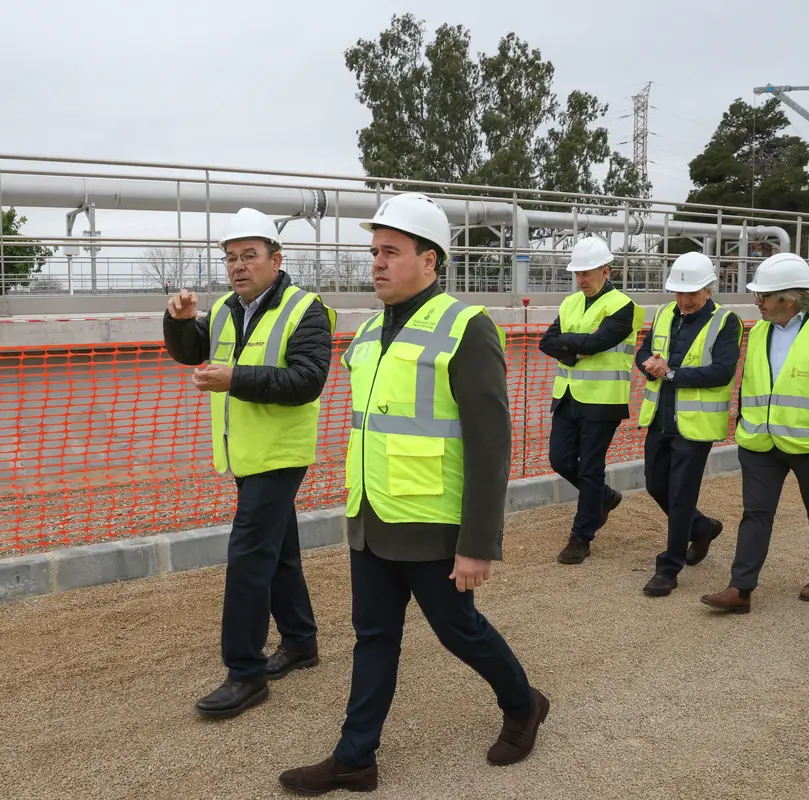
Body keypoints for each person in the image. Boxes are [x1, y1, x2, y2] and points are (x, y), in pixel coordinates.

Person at [277, 193, 548, 795]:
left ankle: (523, 702)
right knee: (373, 636)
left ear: (430, 259)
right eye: (374, 251)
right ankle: (355, 757)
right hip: (371, 517)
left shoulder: (465, 327)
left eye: (391, 251)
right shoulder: (370, 330)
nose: (376, 262)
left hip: (433, 523)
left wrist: (478, 542)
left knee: (459, 631)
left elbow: (490, 444)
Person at [163, 207, 336, 718]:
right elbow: (192, 352)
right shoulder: (222, 308)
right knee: (278, 551)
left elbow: (307, 380)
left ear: (276, 259)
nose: (239, 266)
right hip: (244, 453)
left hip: (280, 453)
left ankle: (245, 673)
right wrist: (176, 322)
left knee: (248, 558)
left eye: (249, 256)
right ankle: (301, 642)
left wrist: (235, 379)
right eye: (231, 258)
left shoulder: (307, 309)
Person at [701, 253, 809, 614]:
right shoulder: (758, 330)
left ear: (790, 299)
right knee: (755, 512)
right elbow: (752, 381)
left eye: (764, 296)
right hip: (760, 442)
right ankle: (740, 588)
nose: (757, 302)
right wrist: (745, 420)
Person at [635, 252, 742, 597]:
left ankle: (669, 567)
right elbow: (644, 351)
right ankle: (702, 527)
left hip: (695, 426)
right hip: (660, 418)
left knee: (681, 495)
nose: (684, 301)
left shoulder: (726, 322)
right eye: (679, 293)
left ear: (709, 289)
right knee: (655, 485)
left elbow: (722, 371)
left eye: (691, 294)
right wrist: (648, 364)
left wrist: (670, 373)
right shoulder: (665, 312)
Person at [539, 238, 644, 564]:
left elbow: (599, 342)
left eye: (587, 273)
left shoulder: (622, 307)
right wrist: (577, 350)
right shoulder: (570, 303)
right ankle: (603, 497)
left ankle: (581, 537)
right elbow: (546, 342)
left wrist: (569, 344)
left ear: (605, 270)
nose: (581, 279)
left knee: (590, 467)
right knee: (559, 459)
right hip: (568, 396)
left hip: (602, 401)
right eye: (578, 274)